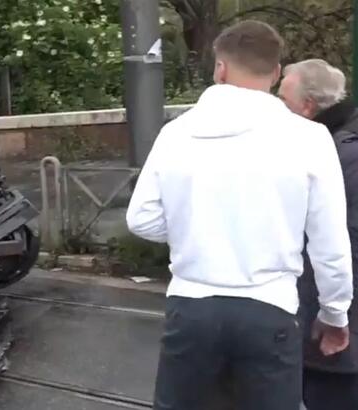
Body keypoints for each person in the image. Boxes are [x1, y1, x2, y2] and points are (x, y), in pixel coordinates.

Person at [126, 20, 353, 410]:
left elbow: (141, 218)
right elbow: (329, 242)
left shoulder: (176, 133)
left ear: (220, 68)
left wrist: (192, 230)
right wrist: (335, 314)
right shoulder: (310, 138)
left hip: (192, 305)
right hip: (271, 309)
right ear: (276, 72)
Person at [278, 59, 358, 410]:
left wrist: (331, 316)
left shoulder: (337, 153)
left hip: (335, 323)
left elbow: (338, 245)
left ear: (306, 107)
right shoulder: (343, 140)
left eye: (282, 99)